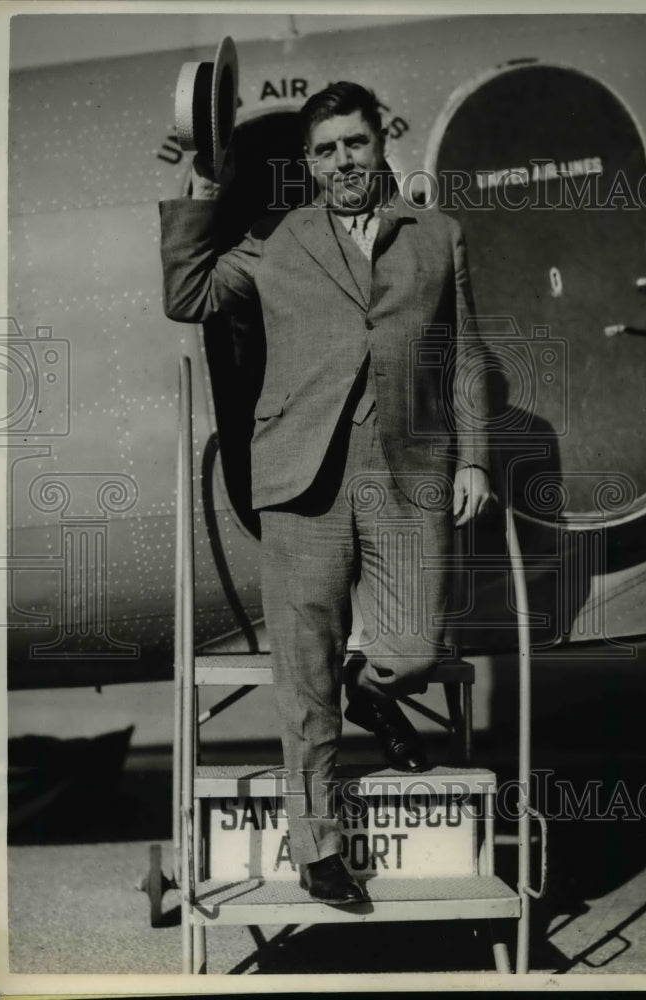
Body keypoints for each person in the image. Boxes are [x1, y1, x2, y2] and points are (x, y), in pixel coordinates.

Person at [160, 81, 493, 904]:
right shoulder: (274, 241)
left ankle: (371, 689)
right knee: (303, 674)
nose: (342, 159)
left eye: (354, 142)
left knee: (415, 649)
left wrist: (475, 459)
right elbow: (187, 296)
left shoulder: (438, 236)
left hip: (407, 476)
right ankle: (316, 847)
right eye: (325, 149)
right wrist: (201, 192)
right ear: (307, 164)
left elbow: (466, 359)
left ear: (379, 143)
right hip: (300, 479)